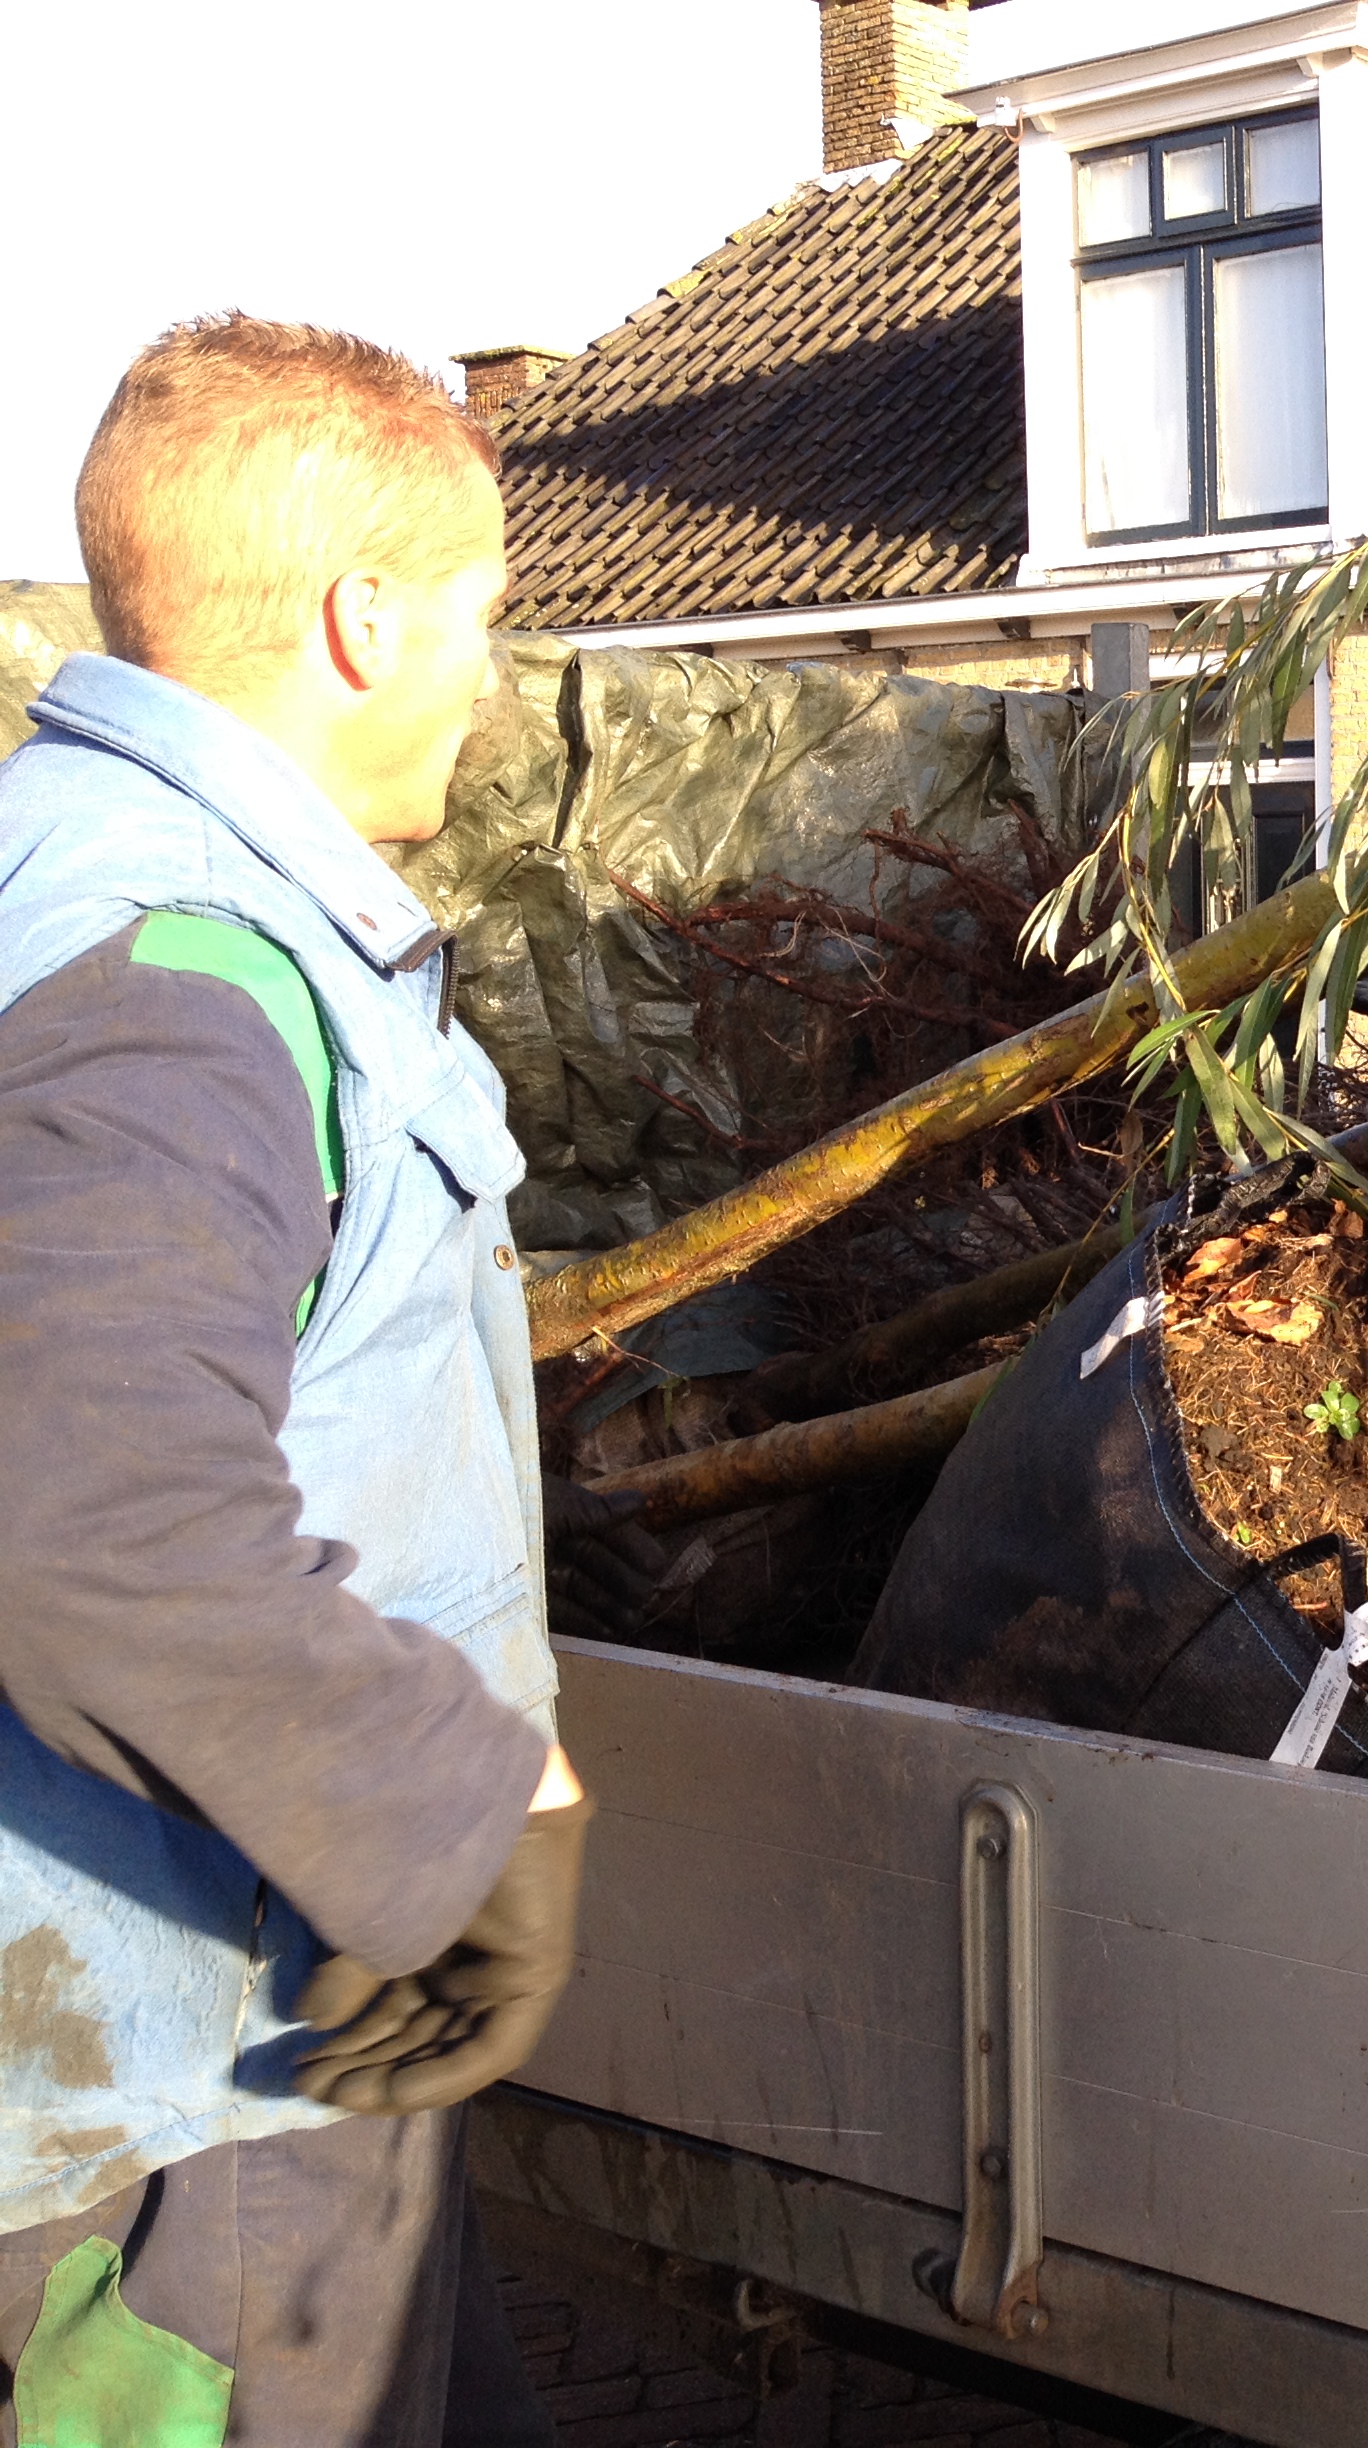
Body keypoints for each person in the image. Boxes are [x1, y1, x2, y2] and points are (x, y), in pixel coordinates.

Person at [0, 317, 604, 2446]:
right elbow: (94, 1514)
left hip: (233, 2055)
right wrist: (463, 1816)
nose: (490, 680)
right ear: (363, 623)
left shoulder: (49, 864)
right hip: (182, 2119)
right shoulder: (186, 976)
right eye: (480, 617)